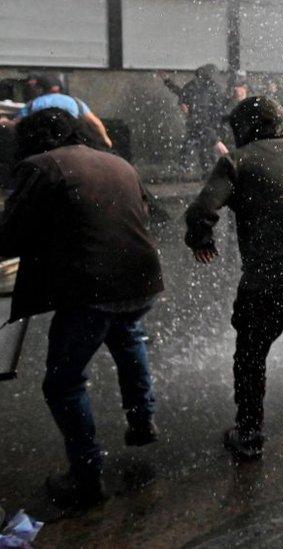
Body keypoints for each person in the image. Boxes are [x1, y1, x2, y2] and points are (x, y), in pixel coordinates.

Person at [0, 108, 163, 508]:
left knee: (63, 382)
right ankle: (142, 419)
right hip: (141, 277)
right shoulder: (117, 162)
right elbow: (140, 214)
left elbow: (12, 235)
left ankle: (86, 477)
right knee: (127, 336)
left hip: (92, 286)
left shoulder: (40, 167)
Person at [184, 96, 283, 461]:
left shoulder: (236, 161)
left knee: (251, 354)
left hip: (267, 276)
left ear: (243, 128)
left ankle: (250, 433)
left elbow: (202, 209)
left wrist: (201, 239)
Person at [0, 74, 113, 149]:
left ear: (40, 89)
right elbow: (95, 123)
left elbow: (16, 125)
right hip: (74, 146)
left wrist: (4, 121)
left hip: (43, 147)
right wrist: (106, 140)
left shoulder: (34, 104)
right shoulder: (75, 102)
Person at [160, 64, 223, 178]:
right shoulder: (192, 87)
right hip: (196, 124)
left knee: (204, 149)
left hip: (205, 124)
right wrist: (167, 82)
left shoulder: (211, 88)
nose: (198, 78)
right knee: (192, 148)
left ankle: (209, 172)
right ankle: (190, 171)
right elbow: (181, 94)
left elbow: (217, 108)